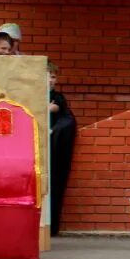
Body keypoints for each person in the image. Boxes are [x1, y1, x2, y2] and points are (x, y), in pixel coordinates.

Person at [47, 62, 77, 236]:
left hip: (54, 151)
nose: (52, 80)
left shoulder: (58, 97)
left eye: (53, 76)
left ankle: (51, 226)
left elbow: (64, 115)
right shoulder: (31, 94)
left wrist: (52, 110)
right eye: (49, 76)